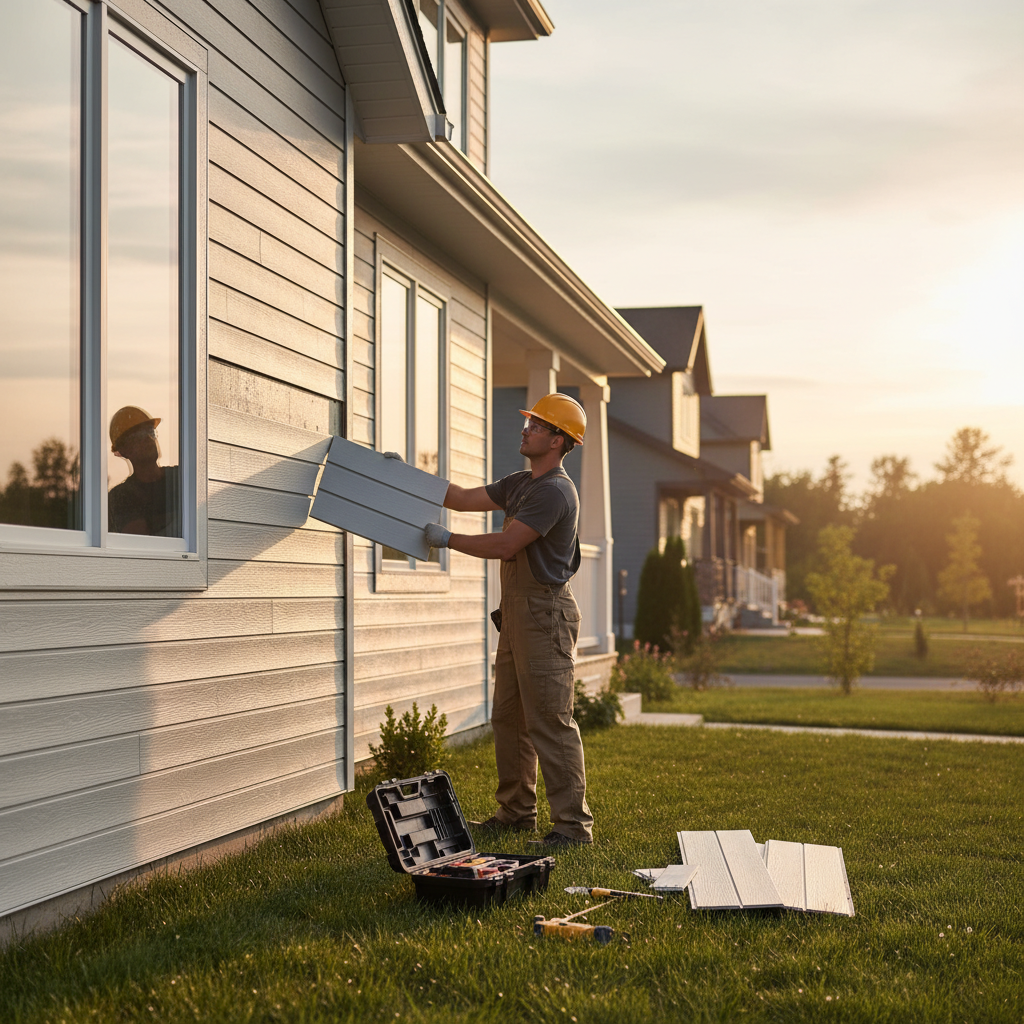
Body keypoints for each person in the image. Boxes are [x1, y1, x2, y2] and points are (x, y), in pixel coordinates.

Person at [420, 393, 593, 846]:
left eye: (536, 426)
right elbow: (458, 497)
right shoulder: (521, 483)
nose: (525, 430)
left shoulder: (555, 491)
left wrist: (447, 540)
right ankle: (516, 813)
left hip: (544, 614)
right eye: (529, 423)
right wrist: (405, 477)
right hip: (518, 614)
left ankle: (573, 828)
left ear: (558, 440)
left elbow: (505, 545)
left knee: (550, 721)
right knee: (510, 718)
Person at [107, 405, 181, 537]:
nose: (148, 438)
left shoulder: (181, 478)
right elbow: (142, 542)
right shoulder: (122, 497)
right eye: (138, 436)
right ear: (124, 450)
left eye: (150, 432)